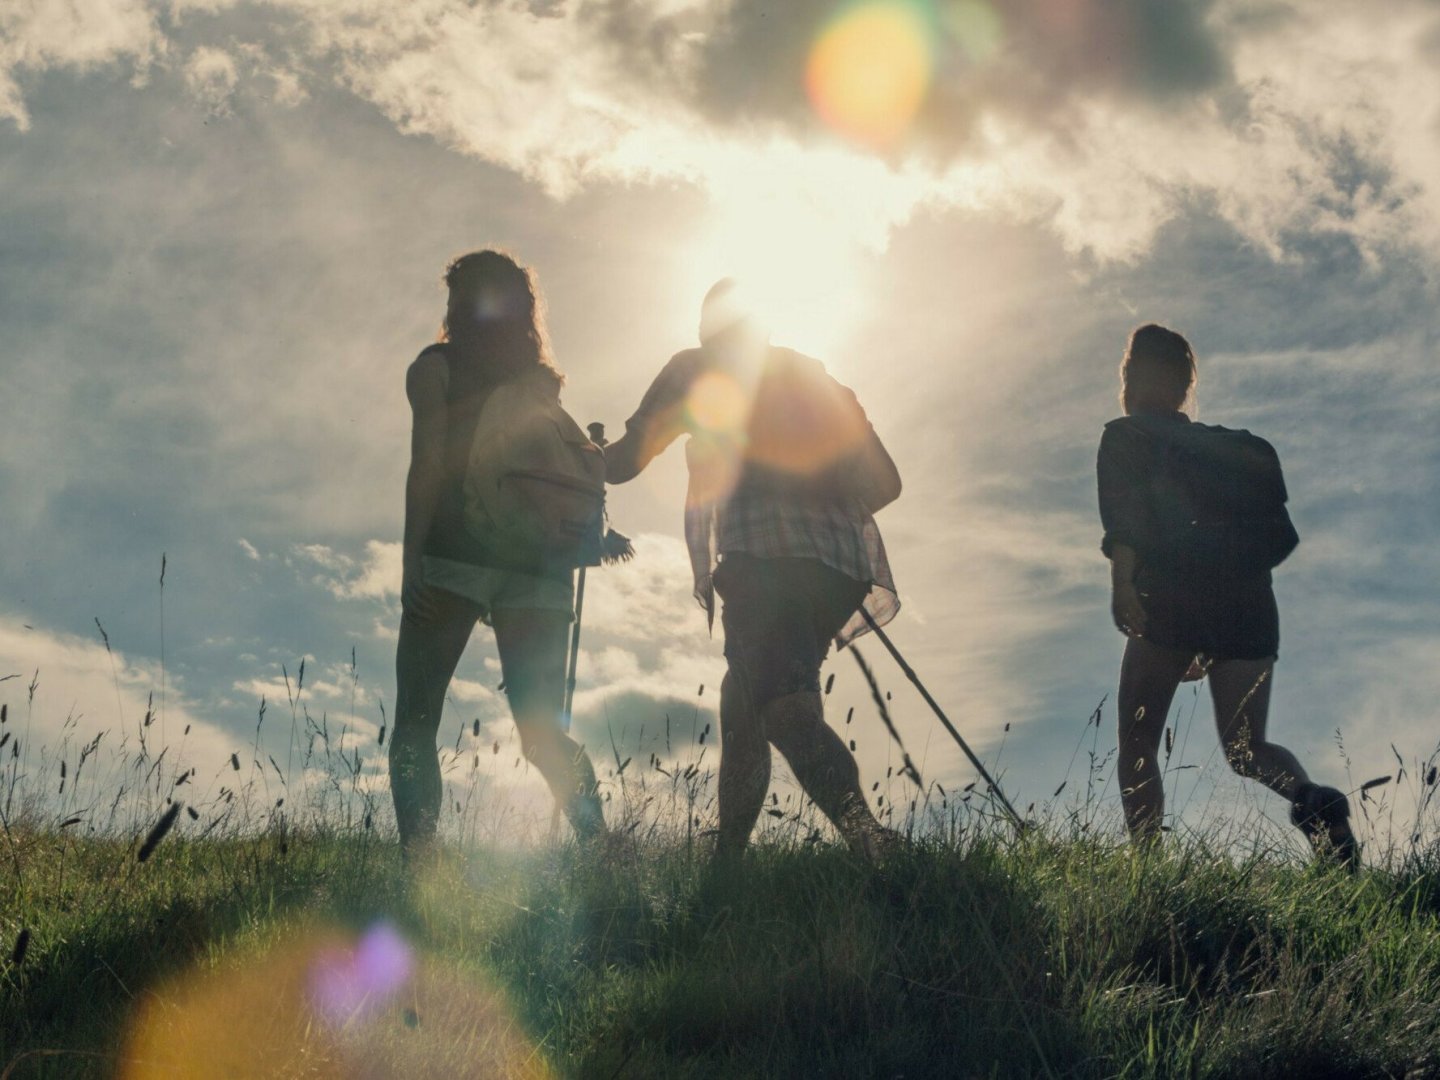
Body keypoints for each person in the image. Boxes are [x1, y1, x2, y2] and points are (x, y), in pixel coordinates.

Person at [604, 279, 903, 860]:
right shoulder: (814, 376)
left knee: (786, 714)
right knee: (742, 708)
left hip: (765, 563)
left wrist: (576, 456)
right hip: (839, 570)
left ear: (705, 326)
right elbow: (885, 485)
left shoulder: (695, 368)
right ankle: (728, 866)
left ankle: (874, 845)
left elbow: (625, 462)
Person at [1097, 323, 1358, 866]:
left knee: (1139, 739)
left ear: (1131, 377)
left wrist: (1124, 585)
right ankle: (1313, 800)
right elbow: (1276, 538)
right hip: (1250, 607)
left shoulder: (1126, 436)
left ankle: (1147, 870)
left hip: (1170, 596)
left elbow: (1129, 522)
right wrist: (1216, 622)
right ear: (1185, 385)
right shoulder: (1233, 449)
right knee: (1246, 749)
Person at [391, 250, 606, 862]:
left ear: (456, 302)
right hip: (538, 569)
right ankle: (603, 851)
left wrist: (413, 558)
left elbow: (428, 465)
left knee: (415, 722)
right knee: (541, 733)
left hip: (453, 557)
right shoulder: (542, 387)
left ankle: (423, 864)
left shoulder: (434, 369)